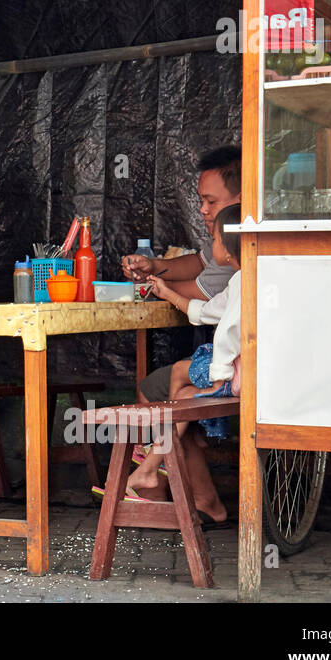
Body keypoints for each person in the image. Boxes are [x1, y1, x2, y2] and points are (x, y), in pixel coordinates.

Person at [119, 203, 243, 525]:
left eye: (214, 240)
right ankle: (155, 463)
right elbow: (205, 312)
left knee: (178, 374)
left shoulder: (245, 283)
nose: (210, 247)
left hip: (238, 374)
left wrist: (218, 378)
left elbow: (228, 335)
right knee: (184, 396)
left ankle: (157, 459)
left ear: (229, 248)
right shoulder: (242, 281)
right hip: (238, 371)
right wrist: (165, 291)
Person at [121, 145, 241, 404]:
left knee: (151, 388)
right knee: (181, 391)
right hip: (238, 365)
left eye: (211, 201)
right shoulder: (229, 246)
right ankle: (183, 444)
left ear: (242, 199)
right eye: (201, 200)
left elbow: (198, 296)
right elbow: (198, 262)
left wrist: (156, 287)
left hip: (240, 369)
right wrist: (152, 268)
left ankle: (163, 444)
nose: (202, 210)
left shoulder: (237, 254)